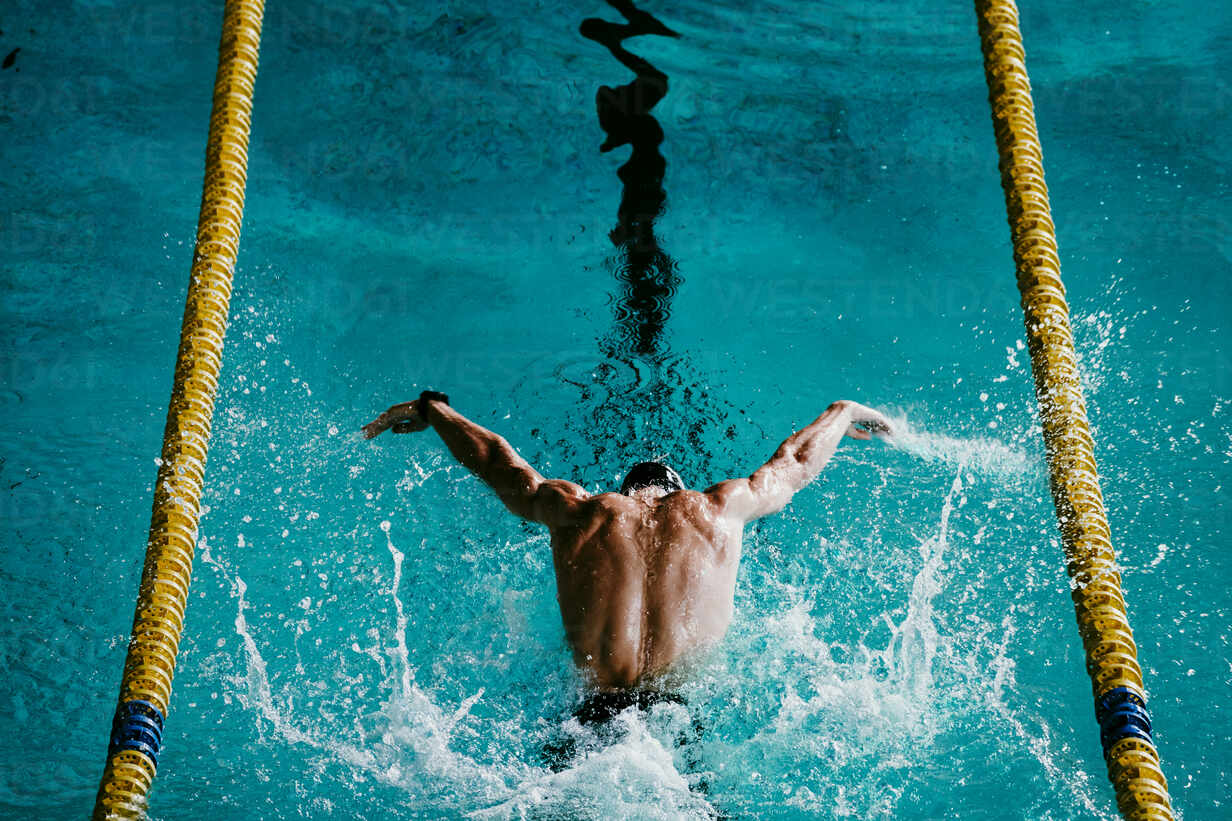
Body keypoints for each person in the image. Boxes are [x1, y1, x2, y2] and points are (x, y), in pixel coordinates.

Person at [361, 393, 893, 732]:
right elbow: (794, 465)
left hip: (592, 719)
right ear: (675, 489)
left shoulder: (579, 510)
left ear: (627, 491)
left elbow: (499, 462)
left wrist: (436, 410)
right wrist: (841, 413)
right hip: (673, 719)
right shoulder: (721, 506)